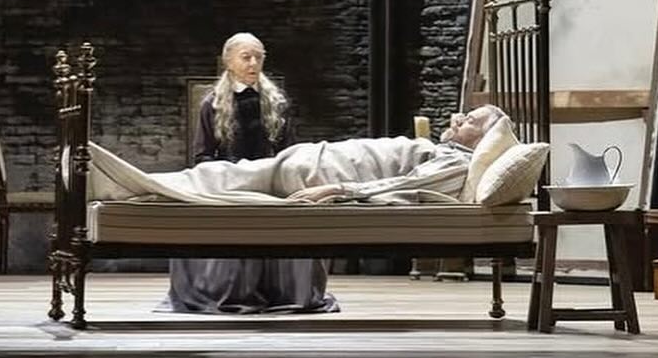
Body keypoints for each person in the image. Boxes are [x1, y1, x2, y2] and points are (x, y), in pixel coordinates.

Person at [158, 32, 339, 315]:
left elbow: (290, 152)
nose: (253, 63)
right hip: (231, 186)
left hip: (270, 183)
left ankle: (286, 291)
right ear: (229, 61)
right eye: (246, 57)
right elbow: (203, 156)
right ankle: (228, 290)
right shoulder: (212, 104)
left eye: (258, 57)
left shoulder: (277, 102)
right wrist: (222, 180)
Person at [92, 100, 508, 208]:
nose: (458, 117)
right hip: (316, 163)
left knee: (215, 181)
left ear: (484, 139)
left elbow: (406, 185)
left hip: (323, 174)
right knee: (215, 179)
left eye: (470, 119)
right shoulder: (448, 152)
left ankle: (117, 183)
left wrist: (337, 191)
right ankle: (122, 185)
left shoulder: (457, 163)